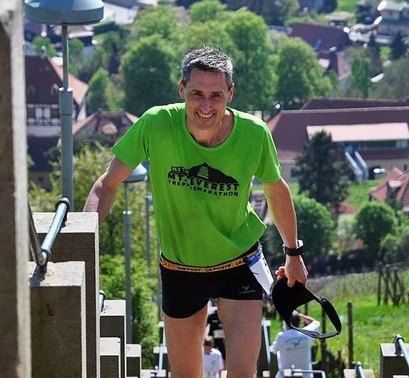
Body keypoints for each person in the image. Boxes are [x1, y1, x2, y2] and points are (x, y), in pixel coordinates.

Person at [83, 46, 308, 378]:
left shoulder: (254, 133)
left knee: (244, 373)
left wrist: (293, 253)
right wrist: (84, 235)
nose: (206, 105)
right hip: (180, 267)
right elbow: (108, 184)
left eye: (216, 95)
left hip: (240, 262)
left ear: (230, 93)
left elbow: (276, 189)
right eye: (197, 94)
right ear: (181, 90)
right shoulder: (156, 124)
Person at [270, 311, 320, 378]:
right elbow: (316, 323)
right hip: (306, 375)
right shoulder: (306, 333)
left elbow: (273, 350)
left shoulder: (281, 337)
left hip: (284, 375)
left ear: (285, 323)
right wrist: (300, 315)